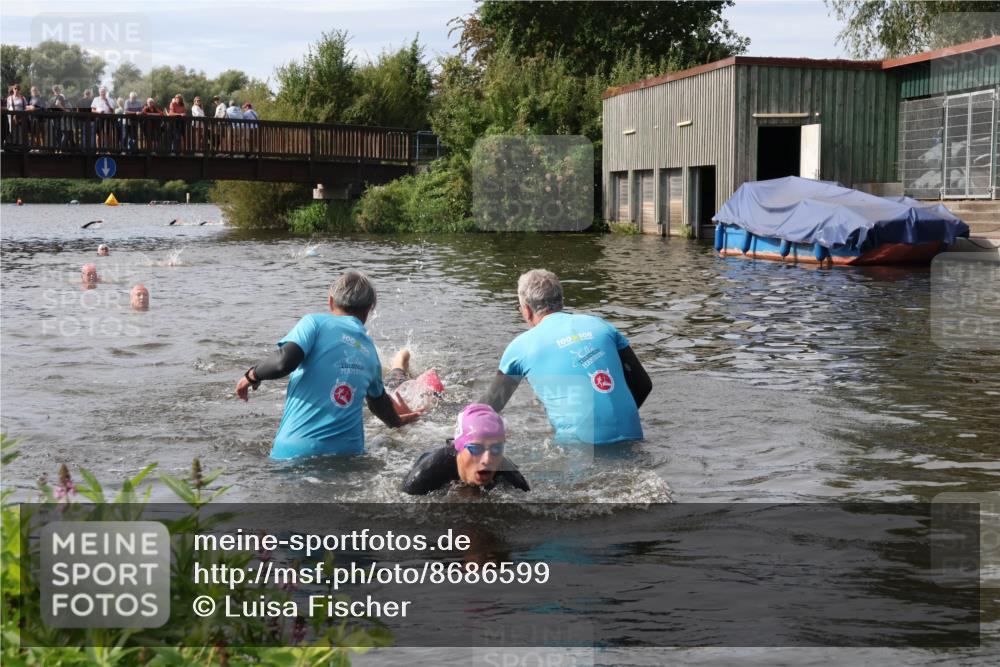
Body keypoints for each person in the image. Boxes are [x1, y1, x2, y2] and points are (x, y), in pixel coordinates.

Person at [235, 270, 421, 459]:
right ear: (370, 309)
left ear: (330, 301)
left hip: (294, 453)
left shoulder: (314, 323)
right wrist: (397, 422)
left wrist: (251, 375)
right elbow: (378, 404)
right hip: (349, 456)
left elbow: (284, 362)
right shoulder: (370, 351)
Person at [483, 269, 652, 446]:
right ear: (561, 301)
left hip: (578, 448)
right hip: (632, 437)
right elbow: (643, 385)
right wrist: (608, 421)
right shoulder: (600, 324)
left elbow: (488, 408)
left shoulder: (520, 347)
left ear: (526, 309)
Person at [402, 403, 529, 495]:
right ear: (460, 448)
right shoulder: (425, 475)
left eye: (496, 449)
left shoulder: (511, 477)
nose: (487, 459)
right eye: (476, 449)